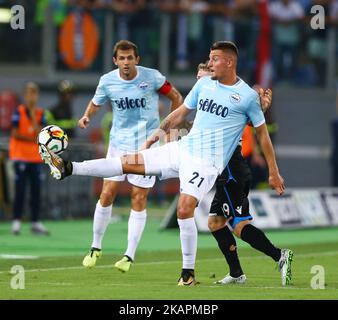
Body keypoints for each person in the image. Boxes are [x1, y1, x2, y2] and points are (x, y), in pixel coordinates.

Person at [39, 41, 285, 286]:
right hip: (180, 149)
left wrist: (273, 172)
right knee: (125, 162)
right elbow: (179, 114)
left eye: (214, 59)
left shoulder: (246, 96)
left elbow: (262, 135)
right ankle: (68, 168)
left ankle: (188, 273)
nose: (210, 63)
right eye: (209, 58)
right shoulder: (204, 84)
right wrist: (154, 137)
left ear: (229, 62)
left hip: (206, 163)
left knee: (184, 208)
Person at [76, 40, 183, 270]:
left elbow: (176, 97)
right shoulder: (107, 81)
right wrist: (86, 116)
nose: (126, 62)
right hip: (118, 145)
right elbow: (96, 103)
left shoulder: (152, 77)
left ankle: (129, 255)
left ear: (137, 60)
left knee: (138, 197)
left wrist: (168, 129)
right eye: (121, 58)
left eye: (130, 58)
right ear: (115, 61)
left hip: (146, 148)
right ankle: (95, 247)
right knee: (107, 194)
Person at [196, 62, 293, 286]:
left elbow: (247, 120)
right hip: (226, 171)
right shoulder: (207, 104)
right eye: (197, 78)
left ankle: (280, 256)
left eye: (203, 77)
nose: (199, 82)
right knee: (215, 222)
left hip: (232, 170)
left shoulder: (225, 99)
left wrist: (261, 109)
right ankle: (237, 273)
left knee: (238, 225)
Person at [9, 82, 50, 235]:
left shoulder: (40, 113)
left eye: (34, 93)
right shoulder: (18, 112)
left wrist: (32, 115)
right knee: (20, 190)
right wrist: (31, 138)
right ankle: (16, 221)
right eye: (28, 93)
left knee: (36, 191)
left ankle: (35, 222)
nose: (31, 96)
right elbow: (14, 133)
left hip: (36, 158)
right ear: (25, 96)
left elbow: (41, 134)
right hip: (20, 157)